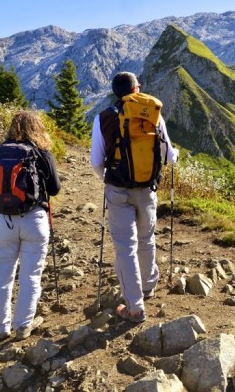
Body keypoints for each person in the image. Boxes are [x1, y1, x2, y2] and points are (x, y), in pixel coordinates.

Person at [90, 72, 177, 322]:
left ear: (115, 92)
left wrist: (106, 178)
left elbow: (96, 161)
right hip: (147, 188)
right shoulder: (152, 115)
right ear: (137, 89)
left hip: (117, 189)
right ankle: (149, 285)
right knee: (146, 238)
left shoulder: (103, 117)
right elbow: (169, 156)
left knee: (125, 246)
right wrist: (174, 156)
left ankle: (135, 307)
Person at [0, 111, 61, 341]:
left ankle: (1, 327)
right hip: (35, 220)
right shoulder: (42, 153)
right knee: (31, 276)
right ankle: (23, 326)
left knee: (2, 276)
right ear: (37, 128)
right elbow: (55, 188)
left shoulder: (2, 151)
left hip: (4, 221)